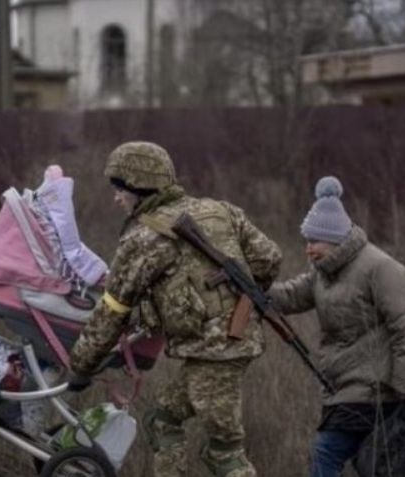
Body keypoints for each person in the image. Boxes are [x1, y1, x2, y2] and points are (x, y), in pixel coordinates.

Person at [67, 141, 282, 477]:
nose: (116, 198)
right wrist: (236, 301)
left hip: (214, 351)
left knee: (225, 455)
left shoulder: (142, 238)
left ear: (139, 186)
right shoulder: (221, 210)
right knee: (161, 421)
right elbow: (269, 259)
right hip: (231, 343)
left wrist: (80, 366)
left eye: (119, 188)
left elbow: (111, 312)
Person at [267, 176, 405, 477]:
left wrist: (402, 392)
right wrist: (251, 286)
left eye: (314, 242)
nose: (308, 249)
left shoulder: (382, 268)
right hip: (342, 389)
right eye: (307, 241)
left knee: (327, 453)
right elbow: (288, 296)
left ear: (335, 239)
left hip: (377, 392)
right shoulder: (323, 273)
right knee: (371, 465)